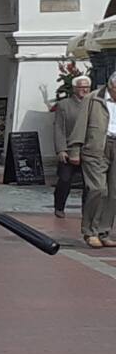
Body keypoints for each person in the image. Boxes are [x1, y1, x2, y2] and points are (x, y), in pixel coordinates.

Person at [53, 73, 99, 221]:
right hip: (69, 150)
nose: (84, 90)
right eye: (81, 87)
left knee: (89, 184)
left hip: (89, 150)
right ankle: (59, 206)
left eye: (87, 87)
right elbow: (59, 128)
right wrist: (61, 149)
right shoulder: (64, 105)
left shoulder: (95, 104)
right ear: (74, 89)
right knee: (65, 180)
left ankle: (87, 211)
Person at [84, 77, 115, 248]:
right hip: (96, 147)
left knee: (113, 193)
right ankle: (90, 232)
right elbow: (81, 124)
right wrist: (74, 149)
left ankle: (104, 231)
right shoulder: (94, 98)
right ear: (111, 86)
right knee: (98, 189)